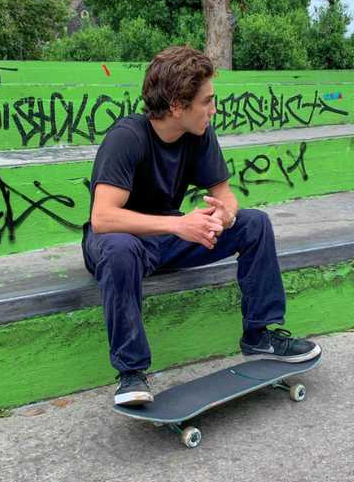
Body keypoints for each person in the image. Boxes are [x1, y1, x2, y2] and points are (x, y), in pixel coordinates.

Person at [81, 46, 320, 407]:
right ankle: (131, 372)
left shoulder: (199, 134)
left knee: (255, 224)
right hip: (120, 240)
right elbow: (103, 218)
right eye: (206, 101)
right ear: (177, 105)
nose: (213, 109)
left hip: (168, 236)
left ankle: (260, 334)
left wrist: (223, 215)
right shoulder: (127, 137)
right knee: (119, 249)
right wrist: (178, 226)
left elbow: (226, 197)